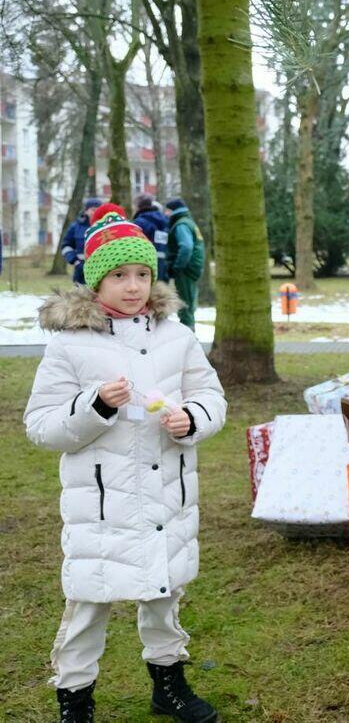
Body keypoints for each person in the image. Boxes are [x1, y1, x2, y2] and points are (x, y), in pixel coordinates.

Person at [24, 203, 227, 723]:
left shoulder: (177, 336)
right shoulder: (69, 346)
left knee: (163, 593)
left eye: (141, 273)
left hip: (166, 500)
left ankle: (169, 684)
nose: (133, 286)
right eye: (118, 275)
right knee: (89, 603)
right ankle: (75, 699)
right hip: (101, 507)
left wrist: (193, 419)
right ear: (96, 281)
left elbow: (211, 396)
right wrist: (94, 406)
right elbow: (41, 426)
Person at [163, 198, 205, 329]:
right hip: (192, 268)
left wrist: (177, 267)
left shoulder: (181, 225)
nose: (165, 214)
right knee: (189, 304)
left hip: (185, 269)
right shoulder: (189, 222)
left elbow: (186, 247)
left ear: (173, 210)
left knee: (185, 305)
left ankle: (188, 335)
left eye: (167, 210)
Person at [59, 197, 103, 285]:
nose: (96, 212)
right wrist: (74, 261)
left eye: (98, 210)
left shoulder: (106, 227)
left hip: (102, 269)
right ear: (86, 211)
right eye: (93, 210)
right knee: (81, 293)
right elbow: (66, 246)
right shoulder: (75, 227)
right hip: (81, 271)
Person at [134, 194, 171, 282]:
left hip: (146, 261)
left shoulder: (139, 222)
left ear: (138, 206)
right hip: (163, 261)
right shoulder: (165, 220)